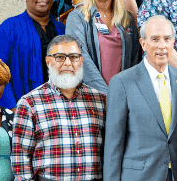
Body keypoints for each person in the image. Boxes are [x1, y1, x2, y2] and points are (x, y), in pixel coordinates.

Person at [104, 16, 177, 181]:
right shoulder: (122, 82)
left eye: (167, 39)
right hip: (139, 176)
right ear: (143, 44)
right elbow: (113, 144)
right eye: (155, 39)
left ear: (173, 42)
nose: (162, 45)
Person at [11, 35, 106, 181]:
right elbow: (20, 157)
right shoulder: (29, 103)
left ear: (81, 61)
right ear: (48, 61)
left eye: (74, 57)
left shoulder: (100, 100)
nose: (67, 63)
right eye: (60, 57)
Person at [0, 0, 66, 109]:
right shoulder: (9, 27)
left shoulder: (62, 30)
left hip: (58, 106)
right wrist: (13, 109)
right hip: (21, 106)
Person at [67, 0, 142, 93]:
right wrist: (104, 94)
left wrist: (125, 94)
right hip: (90, 95)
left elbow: (135, 59)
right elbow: (79, 56)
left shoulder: (127, 18)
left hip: (123, 94)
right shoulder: (78, 17)